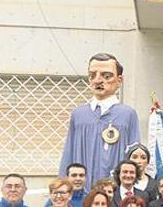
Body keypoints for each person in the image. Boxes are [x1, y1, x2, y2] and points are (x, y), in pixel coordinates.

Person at [59, 53, 140, 187]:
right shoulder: (79, 114)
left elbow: (135, 156)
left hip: (116, 192)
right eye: (92, 75)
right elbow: (69, 153)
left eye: (106, 76)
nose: (98, 80)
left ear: (119, 80)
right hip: (82, 191)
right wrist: (62, 185)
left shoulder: (128, 114)